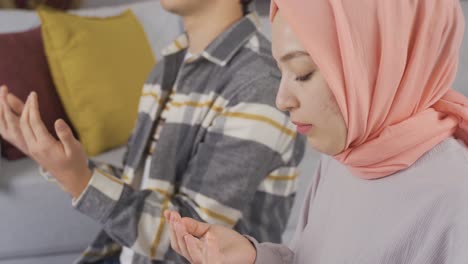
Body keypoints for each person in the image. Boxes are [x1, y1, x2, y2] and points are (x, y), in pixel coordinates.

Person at [0, 0, 306, 263]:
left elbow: (195, 242)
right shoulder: (168, 66)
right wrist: (55, 157)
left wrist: (79, 180)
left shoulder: (258, 87)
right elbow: (140, 183)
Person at [164, 0, 468, 263]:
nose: (281, 100)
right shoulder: (345, 155)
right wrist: (255, 257)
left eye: (302, 73)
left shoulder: (455, 198)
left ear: (376, 63)